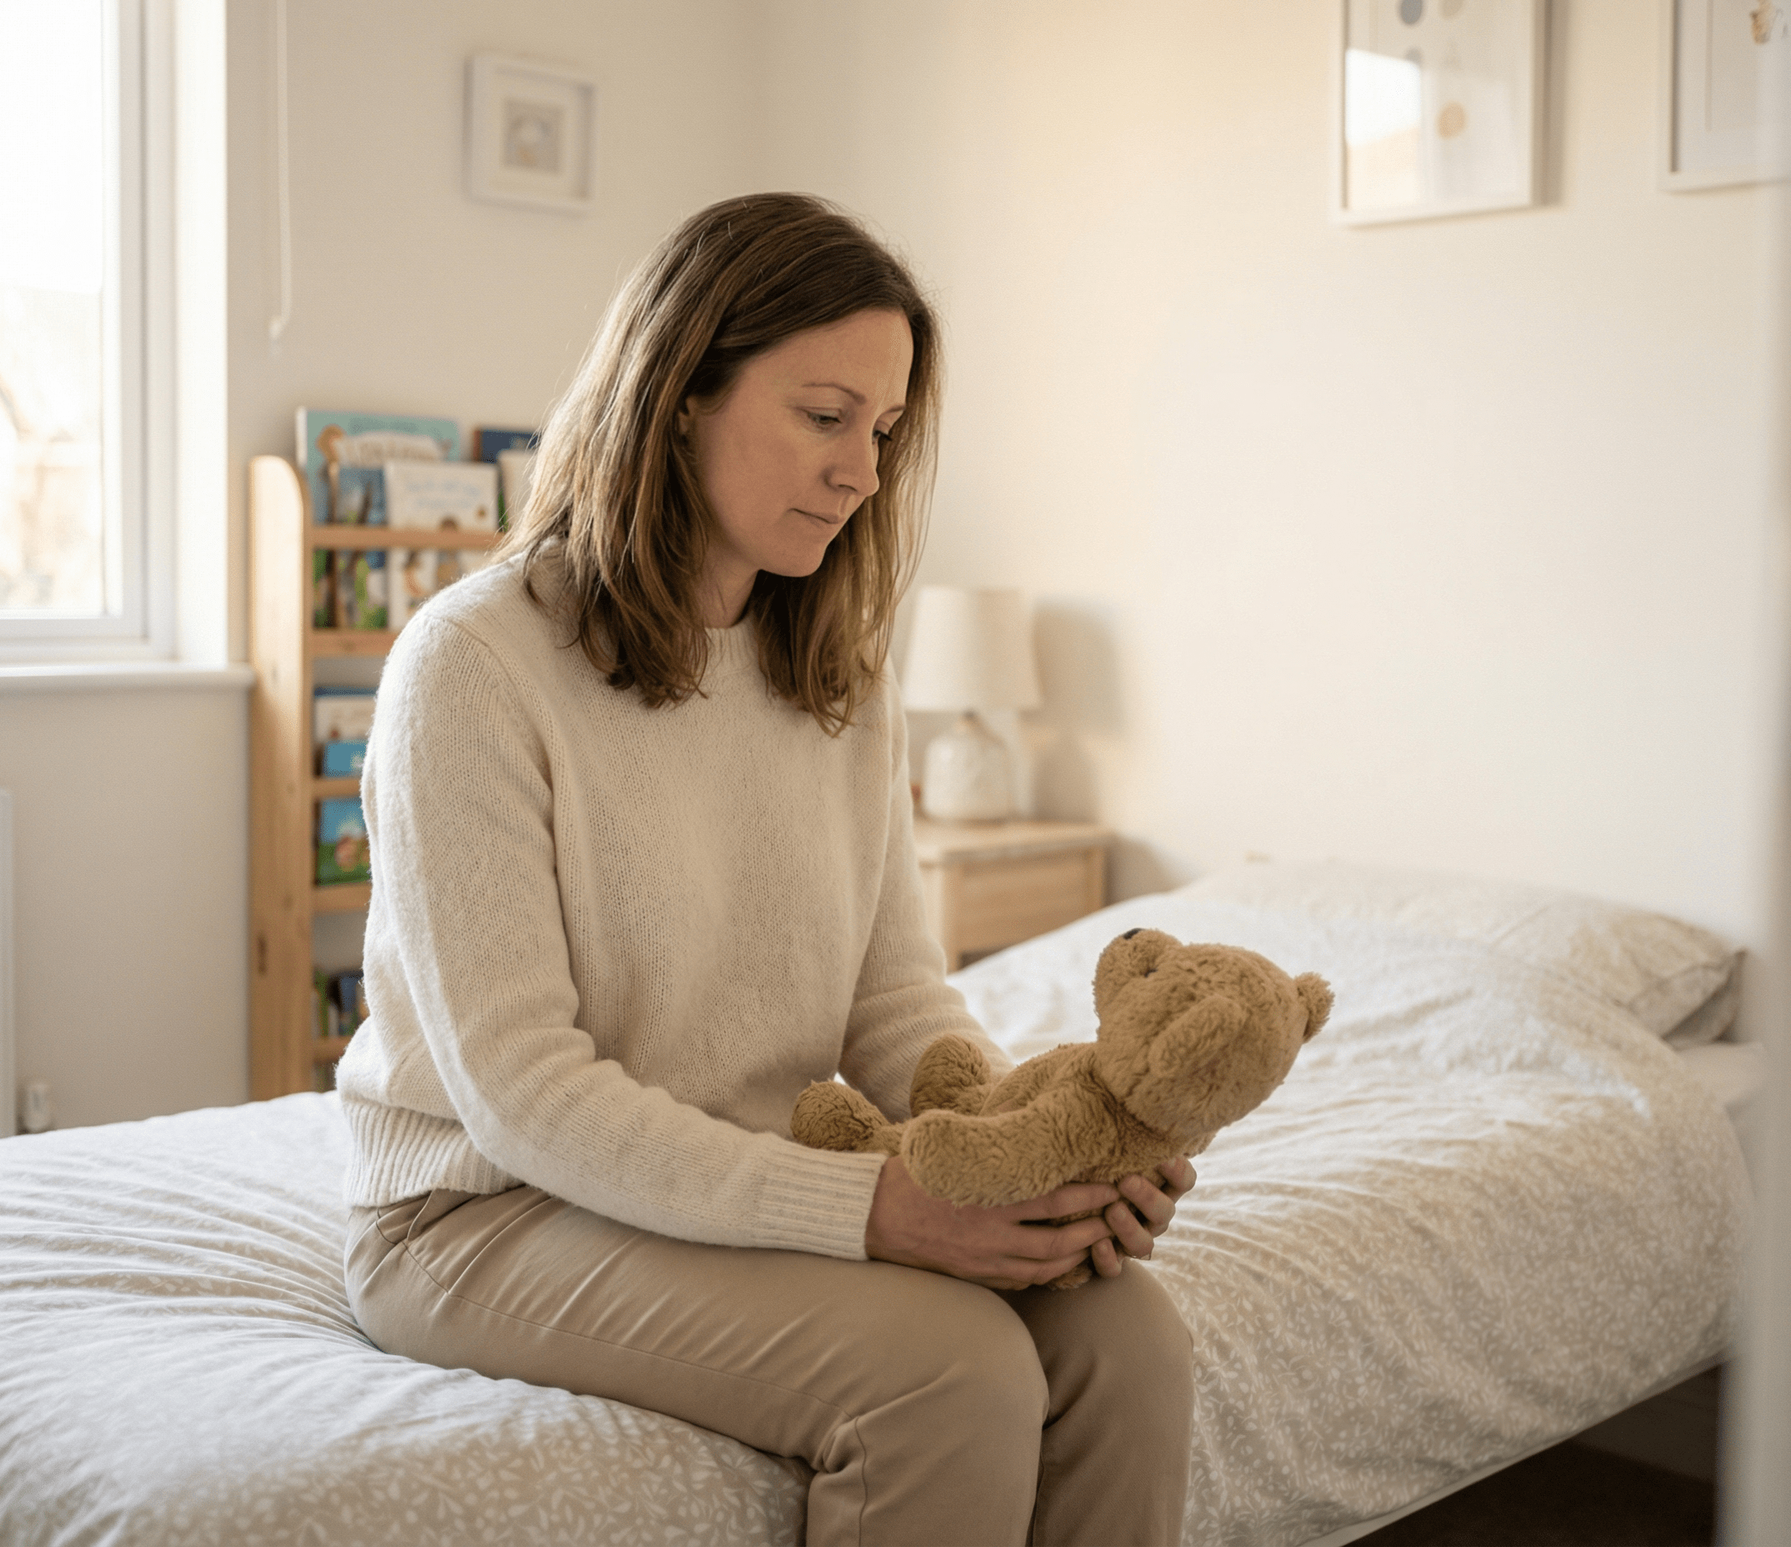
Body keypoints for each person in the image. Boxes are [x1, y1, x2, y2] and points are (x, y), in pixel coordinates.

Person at [337, 192, 1196, 1547]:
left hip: (720, 1174)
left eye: (887, 430)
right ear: (682, 392)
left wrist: (1049, 1145)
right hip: (481, 1215)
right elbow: (522, 1093)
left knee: (1128, 1336)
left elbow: (898, 1006)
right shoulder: (472, 665)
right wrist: (874, 1208)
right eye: (824, 414)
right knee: (947, 1367)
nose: (863, 468)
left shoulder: (839, 678)